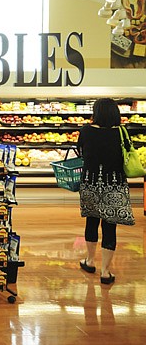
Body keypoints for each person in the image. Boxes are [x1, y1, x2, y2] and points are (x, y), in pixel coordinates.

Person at [77, 98, 135, 285]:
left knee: (91, 221)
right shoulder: (122, 132)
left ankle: (90, 261)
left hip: (91, 182)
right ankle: (105, 272)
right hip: (114, 184)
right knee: (110, 226)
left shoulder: (86, 131)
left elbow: (81, 152)